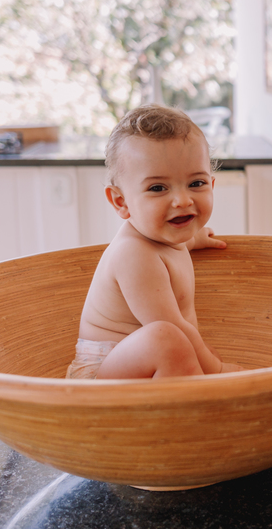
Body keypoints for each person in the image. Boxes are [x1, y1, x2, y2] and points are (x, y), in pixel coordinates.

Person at [67, 105, 238, 380]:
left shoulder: (164, 237)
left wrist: (194, 240)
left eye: (196, 183)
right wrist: (217, 371)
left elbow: (172, 249)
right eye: (158, 188)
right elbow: (172, 327)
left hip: (144, 365)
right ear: (121, 202)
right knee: (167, 336)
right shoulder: (134, 255)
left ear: (212, 184)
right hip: (101, 377)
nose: (183, 200)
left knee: (181, 344)